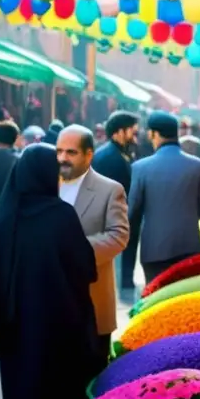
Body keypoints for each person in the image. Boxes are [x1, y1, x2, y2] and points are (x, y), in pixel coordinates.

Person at [0, 145, 98, 399]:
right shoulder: (61, 216)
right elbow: (86, 268)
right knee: (61, 381)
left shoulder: (0, 220)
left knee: (19, 381)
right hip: (60, 322)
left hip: (14, 325)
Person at [56, 125, 129, 364]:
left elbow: (118, 235)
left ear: (89, 154)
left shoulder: (109, 189)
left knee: (91, 374)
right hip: (51, 302)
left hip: (93, 299)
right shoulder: (45, 185)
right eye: (59, 151)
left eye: (71, 152)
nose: (63, 158)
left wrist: (74, 251)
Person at [128, 112, 200, 282]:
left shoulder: (140, 168)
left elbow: (133, 210)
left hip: (154, 249)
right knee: (184, 301)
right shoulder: (197, 166)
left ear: (154, 134)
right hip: (188, 247)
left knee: (156, 300)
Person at [91, 112, 139, 301]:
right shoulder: (110, 157)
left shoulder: (118, 153)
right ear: (119, 132)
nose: (134, 137)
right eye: (131, 132)